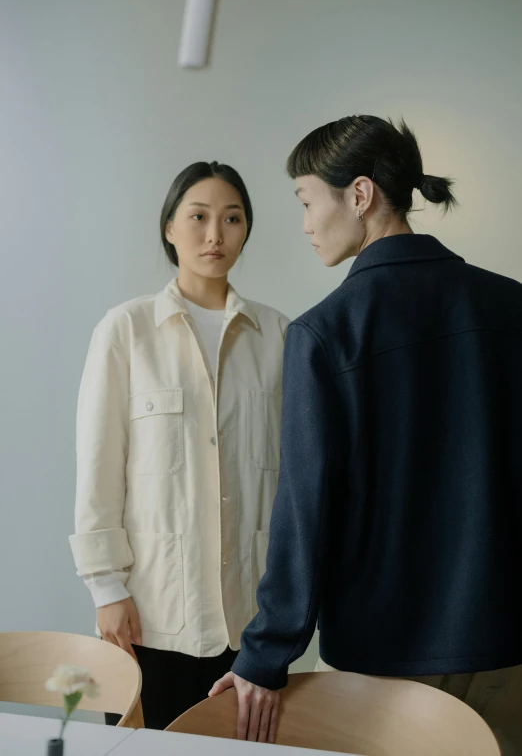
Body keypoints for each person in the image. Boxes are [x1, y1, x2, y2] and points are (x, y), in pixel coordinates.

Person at [210, 115, 522, 755]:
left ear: (358, 195)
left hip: (385, 656)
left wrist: (266, 653)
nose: (303, 224)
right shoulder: (511, 308)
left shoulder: (325, 333)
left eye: (305, 201)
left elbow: (305, 506)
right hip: (508, 640)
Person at [70, 161, 289, 730]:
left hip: (253, 614)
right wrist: (105, 587)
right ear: (169, 227)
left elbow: (294, 478)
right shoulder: (127, 330)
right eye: (198, 216)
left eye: (232, 219)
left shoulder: (280, 337)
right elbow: (99, 467)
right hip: (152, 608)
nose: (214, 234)